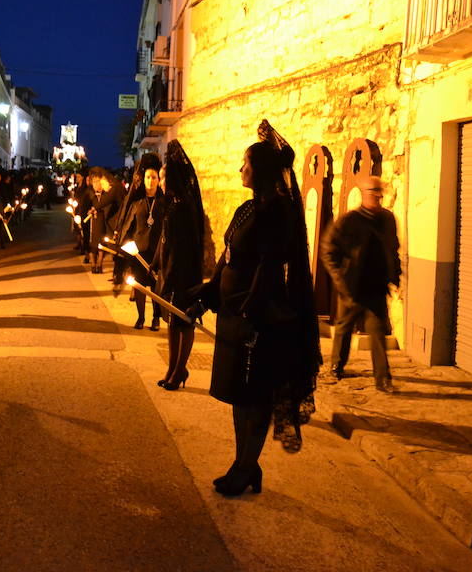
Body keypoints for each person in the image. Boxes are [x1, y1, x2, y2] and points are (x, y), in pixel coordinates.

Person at [186, 119, 321, 496]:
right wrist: (208, 294)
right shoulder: (246, 209)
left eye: (245, 163)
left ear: (259, 169)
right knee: (235, 393)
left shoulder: (279, 213)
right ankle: (243, 462)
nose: (240, 169)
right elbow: (228, 256)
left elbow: (267, 266)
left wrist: (250, 314)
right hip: (233, 315)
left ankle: (246, 467)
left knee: (255, 395)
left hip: (257, 319)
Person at [321, 174, 401, 392]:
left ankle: (383, 379)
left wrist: (396, 274)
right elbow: (328, 249)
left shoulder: (387, 219)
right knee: (344, 329)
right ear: (363, 193)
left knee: (377, 334)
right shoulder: (349, 221)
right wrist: (340, 279)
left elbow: (393, 248)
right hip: (351, 288)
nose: (378, 197)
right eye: (373, 192)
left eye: (380, 193)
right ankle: (337, 367)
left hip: (375, 288)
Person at [152, 140, 205, 390]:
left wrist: (170, 276)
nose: (161, 183)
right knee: (173, 323)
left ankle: (180, 369)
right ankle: (172, 368)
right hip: (171, 272)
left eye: (163, 178)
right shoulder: (171, 204)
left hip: (183, 275)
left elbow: (181, 247)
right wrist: (156, 264)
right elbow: (165, 241)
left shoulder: (182, 207)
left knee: (184, 322)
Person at [119, 153, 164, 330]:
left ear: (158, 180)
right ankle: (140, 317)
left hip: (156, 250)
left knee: (155, 288)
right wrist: (128, 245)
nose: (151, 181)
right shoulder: (137, 202)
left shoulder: (163, 201)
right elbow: (129, 226)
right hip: (139, 251)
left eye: (154, 177)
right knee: (139, 286)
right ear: (143, 179)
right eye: (148, 177)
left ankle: (155, 318)